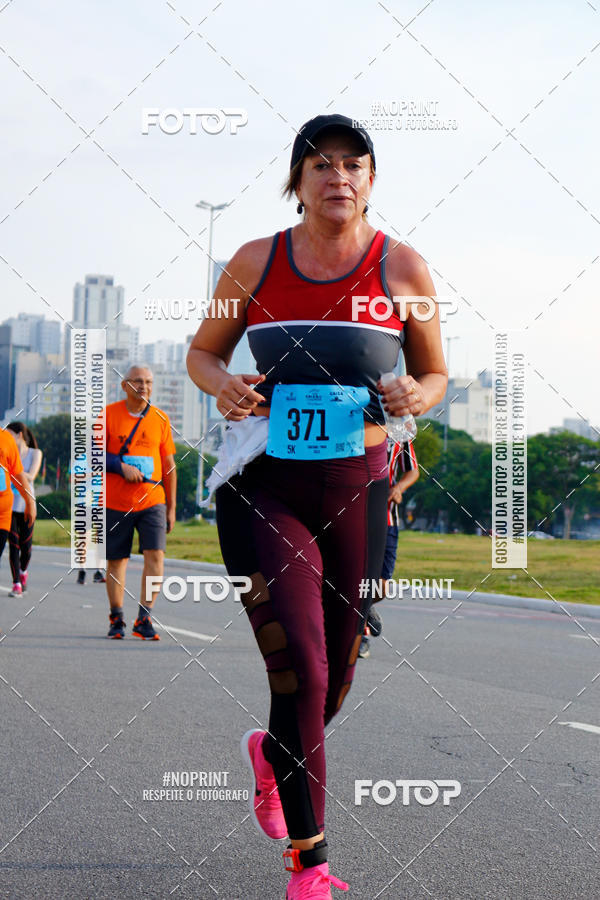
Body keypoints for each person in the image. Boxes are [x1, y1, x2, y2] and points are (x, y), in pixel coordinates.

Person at [186, 113, 447, 898]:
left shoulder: (404, 268)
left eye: (353, 164)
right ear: (297, 180)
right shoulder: (255, 261)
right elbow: (203, 352)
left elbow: (436, 377)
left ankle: (272, 756)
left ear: (372, 179)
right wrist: (222, 384)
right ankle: (311, 866)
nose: (339, 176)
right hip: (266, 488)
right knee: (299, 667)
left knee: (334, 678)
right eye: (321, 164)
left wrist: (415, 393)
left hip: (360, 489)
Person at [103, 364, 176, 640]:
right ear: (125, 385)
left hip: (152, 500)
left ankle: (144, 617)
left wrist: (170, 507)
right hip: (116, 502)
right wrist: (119, 466)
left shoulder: (160, 418)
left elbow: (169, 466)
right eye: (138, 381)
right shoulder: (108, 415)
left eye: (148, 382)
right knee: (116, 561)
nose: (144, 386)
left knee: (156, 556)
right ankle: (116, 616)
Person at [358, 436, 419, 659]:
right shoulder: (355, 425)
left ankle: (364, 607)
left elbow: (412, 470)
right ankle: (360, 635)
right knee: (357, 578)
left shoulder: (400, 435)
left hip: (387, 518)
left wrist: (400, 487)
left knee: (381, 587)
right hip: (354, 516)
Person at [5, 423, 42, 597]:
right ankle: (16, 583)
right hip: (9, 505)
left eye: (9, 433)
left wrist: (13, 471)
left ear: (19, 435)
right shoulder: (7, 451)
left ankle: (23, 571)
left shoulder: (35, 453)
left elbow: (32, 475)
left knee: (25, 546)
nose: (6, 436)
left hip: (27, 504)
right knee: (13, 545)